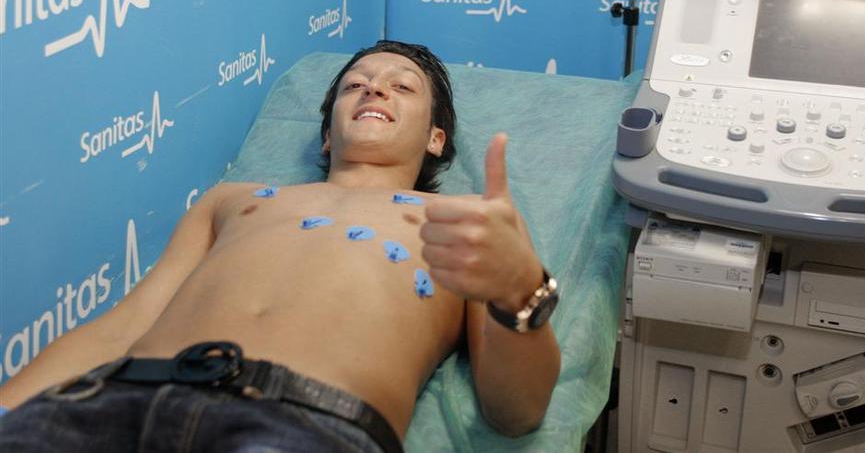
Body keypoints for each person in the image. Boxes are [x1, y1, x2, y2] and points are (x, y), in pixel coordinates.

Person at [0, 41, 561, 453]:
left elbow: (516, 412)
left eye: (403, 86)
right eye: (355, 84)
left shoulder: (469, 223)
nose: (374, 88)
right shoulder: (233, 200)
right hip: (111, 405)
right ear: (327, 134)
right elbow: (121, 328)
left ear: (436, 137)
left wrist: (520, 291)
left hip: (303, 424)